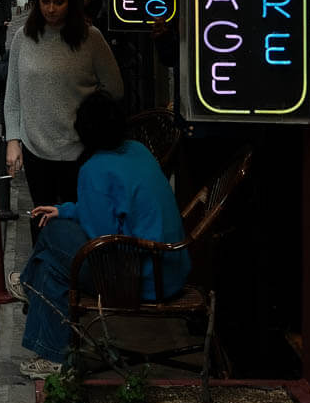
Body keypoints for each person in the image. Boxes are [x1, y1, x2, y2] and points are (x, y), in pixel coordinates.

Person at [11, 90, 190, 377]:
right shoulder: (137, 150)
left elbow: (99, 239)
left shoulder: (94, 169)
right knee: (54, 240)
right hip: (169, 267)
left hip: (139, 277)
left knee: (51, 249)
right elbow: (114, 208)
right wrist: (67, 210)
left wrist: (68, 217)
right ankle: (32, 296)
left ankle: (40, 316)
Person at [4, 0, 124, 216]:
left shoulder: (90, 39)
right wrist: (13, 140)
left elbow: (114, 89)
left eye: (58, 2)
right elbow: (13, 94)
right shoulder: (24, 38)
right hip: (36, 147)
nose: (51, 9)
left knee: (78, 219)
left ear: (71, 2)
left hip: (80, 149)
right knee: (41, 220)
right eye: (45, 1)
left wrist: (88, 113)